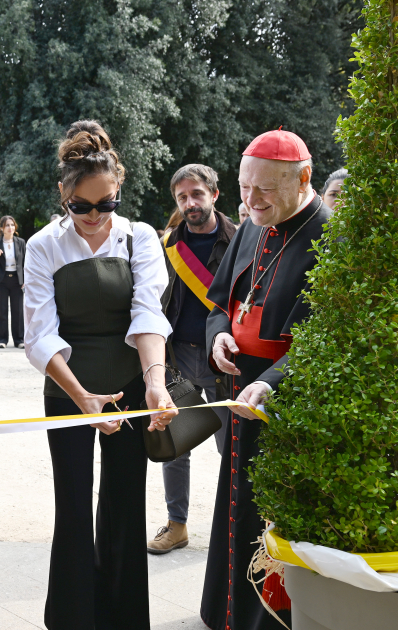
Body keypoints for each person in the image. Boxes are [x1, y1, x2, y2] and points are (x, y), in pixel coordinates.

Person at [23, 120, 177, 630]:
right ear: (62, 195)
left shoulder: (141, 240)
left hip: (132, 388)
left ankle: (123, 618)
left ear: (119, 191)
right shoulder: (43, 245)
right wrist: (81, 396)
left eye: (106, 204)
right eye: (81, 206)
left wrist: (154, 382)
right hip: (68, 390)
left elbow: (148, 314)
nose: (95, 216)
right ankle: (72, 619)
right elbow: (40, 335)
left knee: (126, 502)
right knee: (72, 506)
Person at [200, 129, 331, 630]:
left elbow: (322, 337)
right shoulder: (254, 224)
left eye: (264, 190)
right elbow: (218, 305)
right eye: (243, 187)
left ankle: (266, 621)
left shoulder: (328, 236)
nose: (250, 201)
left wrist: (273, 381)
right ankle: (227, 610)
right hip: (239, 384)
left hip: (284, 398)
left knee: (271, 509)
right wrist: (218, 339)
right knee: (234, 497)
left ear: (303, 178)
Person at [148, 164, 237, 556]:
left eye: (197, 194)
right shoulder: (166, 245)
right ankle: (177, 524)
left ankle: (235, 527)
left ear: (215, 194)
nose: (190, 203)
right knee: (175, 446)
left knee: (231, 449)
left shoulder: (241, 238)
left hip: (224, 362)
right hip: (178, 359)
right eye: (182, 197)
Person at [0, 216, 26, 348]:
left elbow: (26, 262)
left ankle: (19, 340)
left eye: (12, 225)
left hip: (17, 280)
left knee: (18, 312)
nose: (10, 228)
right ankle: (1, 340)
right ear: (2, 228)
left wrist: (25, 280)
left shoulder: (20, 242)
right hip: (1, 281)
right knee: (1, 311)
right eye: (7, 225)